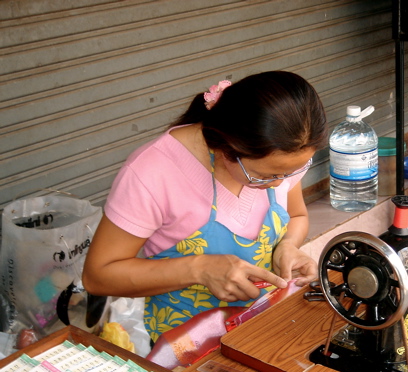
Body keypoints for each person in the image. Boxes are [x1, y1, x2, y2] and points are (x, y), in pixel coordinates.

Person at [83, 71, 328, 342]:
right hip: (185, 346)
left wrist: (288, 246)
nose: (277, 184)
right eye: (263, 176)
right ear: (227, 148)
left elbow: (296, 215)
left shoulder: (282, 159)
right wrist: (199, 269)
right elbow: (98, 276)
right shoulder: (152, 172)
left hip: (262, 329)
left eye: (293, 172)